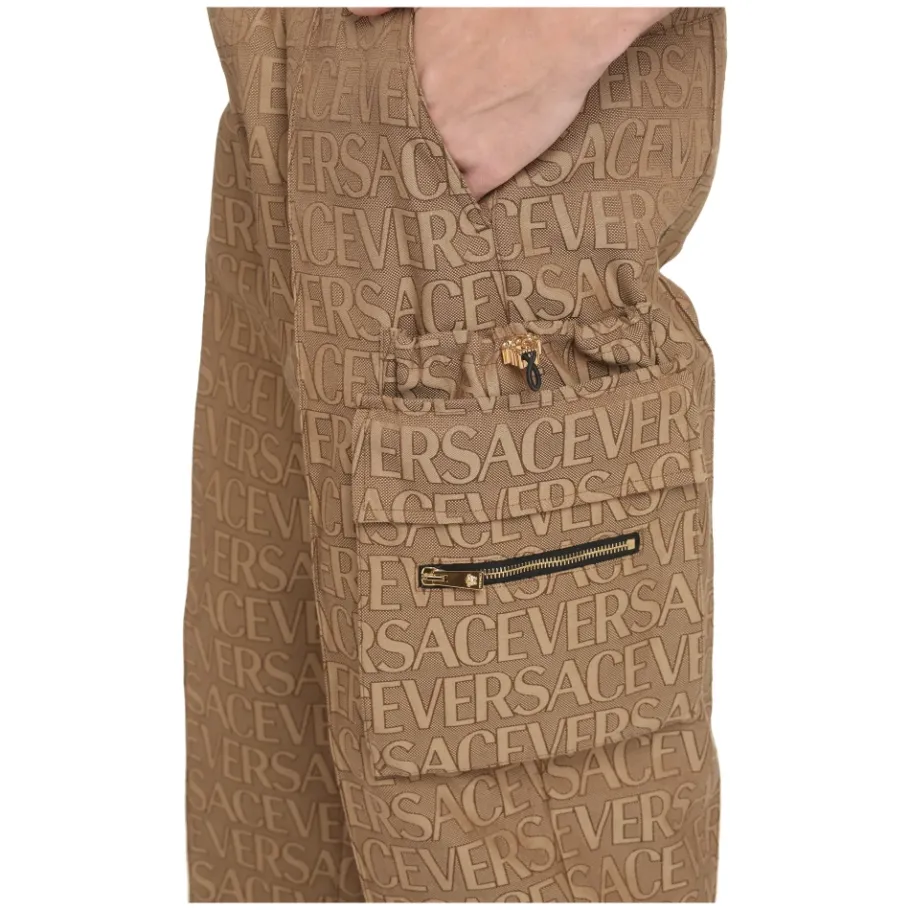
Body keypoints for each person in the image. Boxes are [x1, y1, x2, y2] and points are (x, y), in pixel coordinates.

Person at [183, 6, 726, 901]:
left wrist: (551, 21)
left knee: (518, 853)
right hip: (290, 114)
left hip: (488, 176)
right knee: (279, 835)